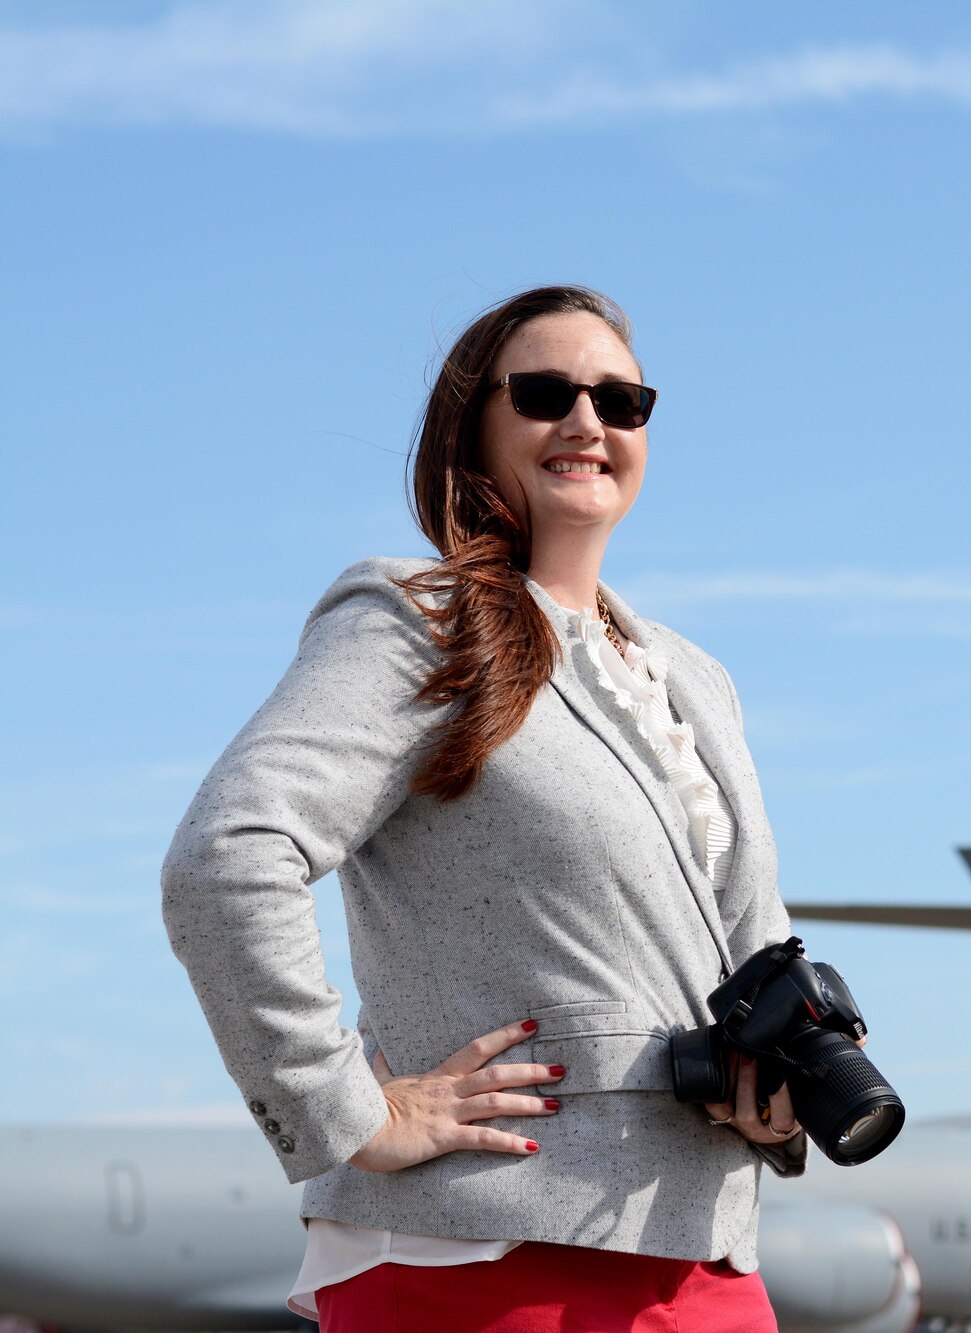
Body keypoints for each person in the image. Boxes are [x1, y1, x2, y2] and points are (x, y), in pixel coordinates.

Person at [161, 286, 801, 1332]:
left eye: (621, 401)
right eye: (546, 393)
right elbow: (226, 855)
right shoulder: (419, 620)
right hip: (481, 1253)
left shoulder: (696, 677)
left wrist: (772, 1093)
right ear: (473, 427)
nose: (587, 422)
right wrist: (347, 1109)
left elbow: (750, 943)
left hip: (707, 1256)